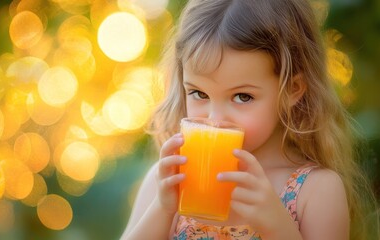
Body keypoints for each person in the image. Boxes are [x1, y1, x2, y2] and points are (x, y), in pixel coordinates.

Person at [120, 0, 378, 239]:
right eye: (199, 93)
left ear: (292, 90)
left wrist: (277, 225)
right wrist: (162, 210)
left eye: (242, 97)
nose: (215, 119)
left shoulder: (316, 190)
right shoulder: (167, 182)